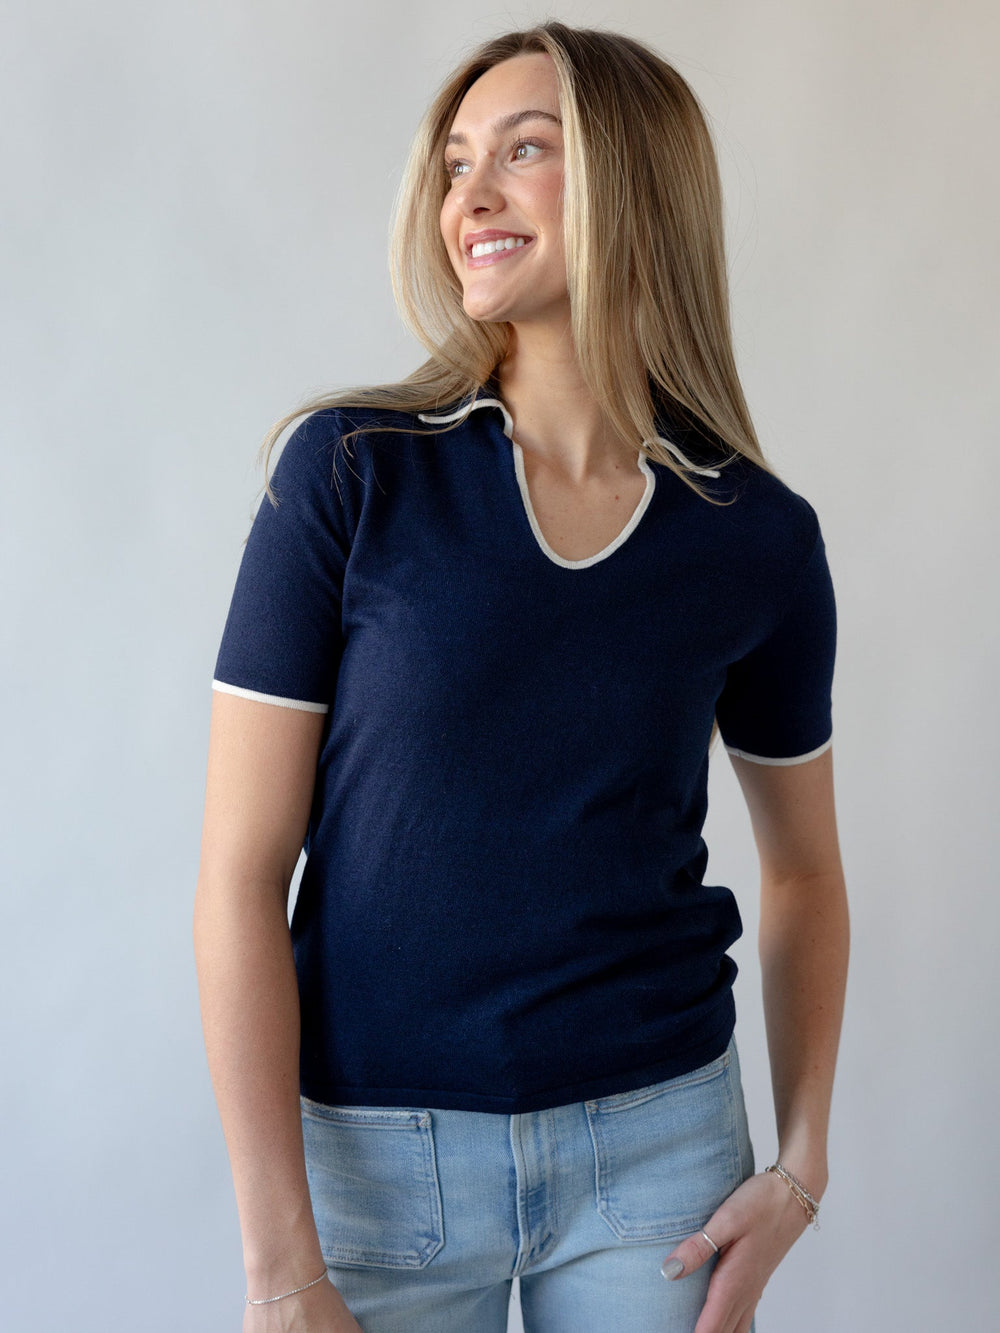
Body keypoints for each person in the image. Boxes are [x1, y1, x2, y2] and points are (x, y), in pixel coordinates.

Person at [194, 21, 849, 1333]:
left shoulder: (754, 536)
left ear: (634, 185)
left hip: (658, 1157)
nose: (470, 198)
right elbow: (238, 879)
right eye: (455, 164)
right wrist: (279, 1267)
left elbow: (804, 873)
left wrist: (801, 1165)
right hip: (375, 1164)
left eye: (525, 151)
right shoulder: (351, 475)